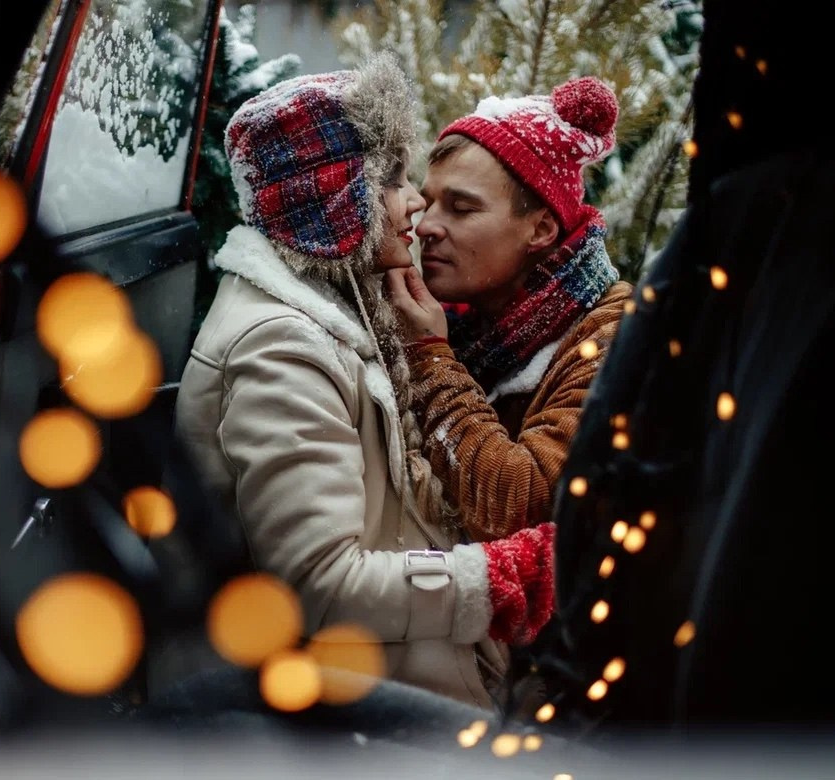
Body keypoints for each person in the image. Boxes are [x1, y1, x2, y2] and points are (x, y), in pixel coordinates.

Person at [172, 52, 555, 709]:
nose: (416, 206)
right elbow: (320, 585)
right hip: (335, 703)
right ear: (337, 200)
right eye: (395, 179)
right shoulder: (282, 345)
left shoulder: (344, 307)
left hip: (384, 668)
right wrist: (493, 579)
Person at [386, 76, 634, 543]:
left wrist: (430, 356)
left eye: (461, 208)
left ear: (540, 230)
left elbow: (517, 504)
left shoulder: (613, 337)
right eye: (430, 201)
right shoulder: (470, 320)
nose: (426, 227)